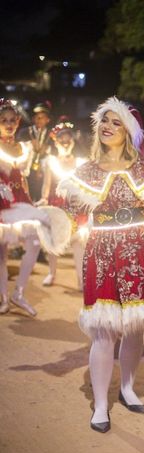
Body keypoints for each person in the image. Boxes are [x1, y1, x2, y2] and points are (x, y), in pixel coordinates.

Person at [56, 97, 144, 433]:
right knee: (104, 329)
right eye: (103, 121)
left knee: (135, 326)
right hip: (102, 251)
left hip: (139, 250)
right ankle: (101, 405)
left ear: (129, 131)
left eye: (115, 122)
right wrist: (61, 224)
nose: (106, 126)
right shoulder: (86, 171)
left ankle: (127, 388)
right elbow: (73, 211)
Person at [0, 99, 55, 316]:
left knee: (33, 242)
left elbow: (23, 178)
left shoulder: (24, 148)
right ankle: (4, 298)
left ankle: (18, 293)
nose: (9, 123)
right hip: (2, 202)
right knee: (1, 253)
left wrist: (30, 201)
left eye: (13, 120)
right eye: (4, 120)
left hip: (20, 200)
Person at [37, 117, 88, 288]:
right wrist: (44, 198)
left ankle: (81, 279)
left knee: (78, 242)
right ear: (56, 141)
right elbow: (46, 183)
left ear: (73, 141)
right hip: (56, 205)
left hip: (76, 207)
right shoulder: (50, 162)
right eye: (61, 139)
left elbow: (85, 187)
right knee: (54, 241)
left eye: (68, 139)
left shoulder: (81, 163)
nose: (65, 142)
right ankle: (52, 274)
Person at [17, 101, 52, 202]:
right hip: (27, 169)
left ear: (48, 119)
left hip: (43, 171)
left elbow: (56, 151)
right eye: (37, 117)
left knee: (42, 194)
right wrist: (29, 144)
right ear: (33, 118)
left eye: (42, 117)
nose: (39, 119)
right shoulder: (25, 132)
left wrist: (47, 149)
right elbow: (18, 145)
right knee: (27, 194)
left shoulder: (51, 135)